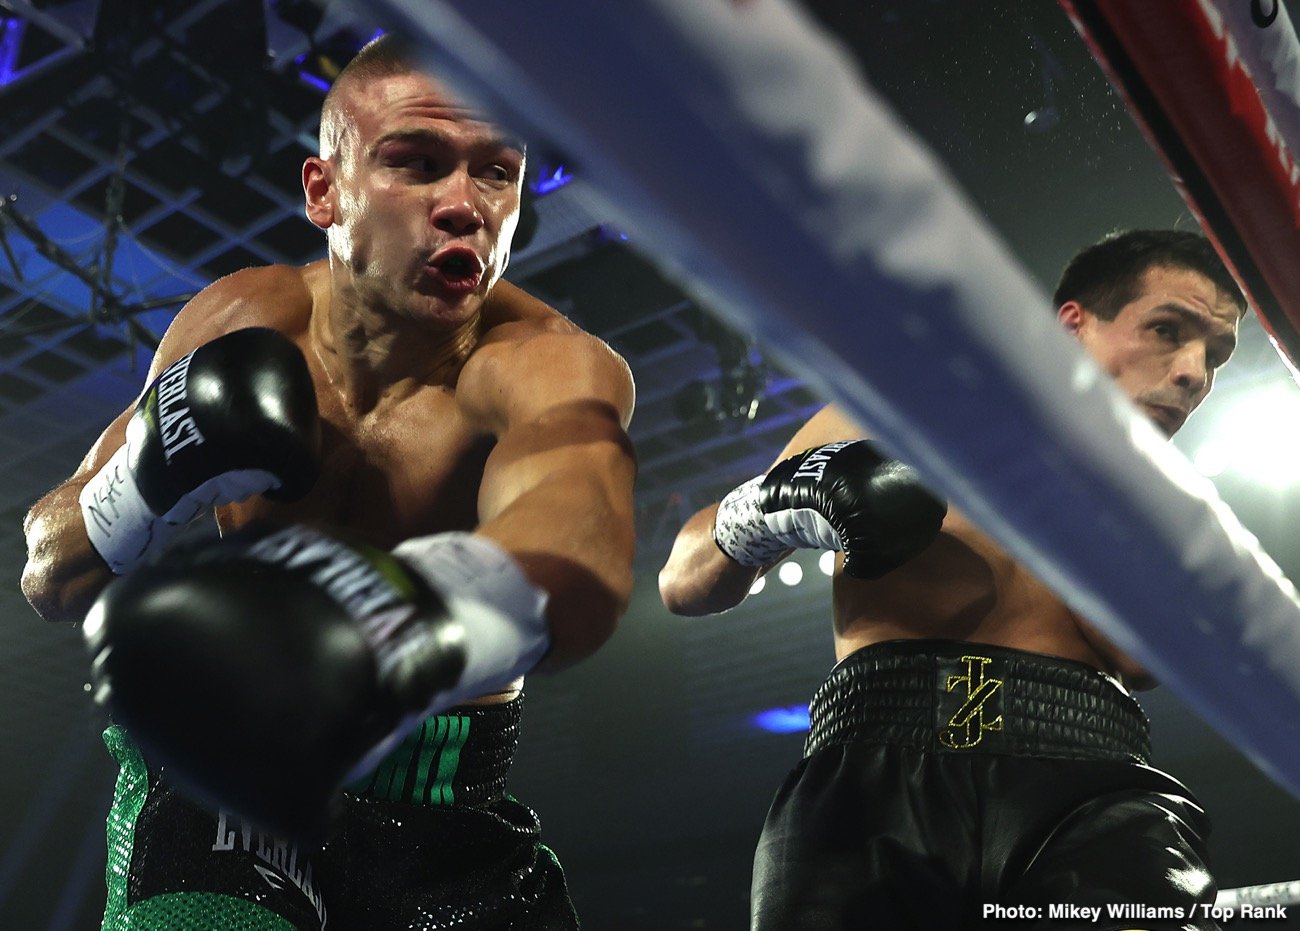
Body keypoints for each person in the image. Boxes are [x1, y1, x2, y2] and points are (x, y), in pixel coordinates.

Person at [20, 34, 636, 931]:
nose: (464, 206)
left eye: (496, 173)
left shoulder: (551, 364)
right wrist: (145, 479)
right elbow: (51, 569)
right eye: (417, 165)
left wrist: (391, 622)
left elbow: (578, 538)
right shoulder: (240, 319)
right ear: (324, 192)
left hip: (443, 797)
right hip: (232, 773)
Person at [658, 229, 1244, 931]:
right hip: (874, 780)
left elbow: (1139, 660)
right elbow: (682, 582)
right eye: (1168, 330)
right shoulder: (898, 415)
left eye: (1215, 353)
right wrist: (780, 505)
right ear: (1073, 324)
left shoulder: (1172, 502)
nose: (1193, 372)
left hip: (1092, 786)